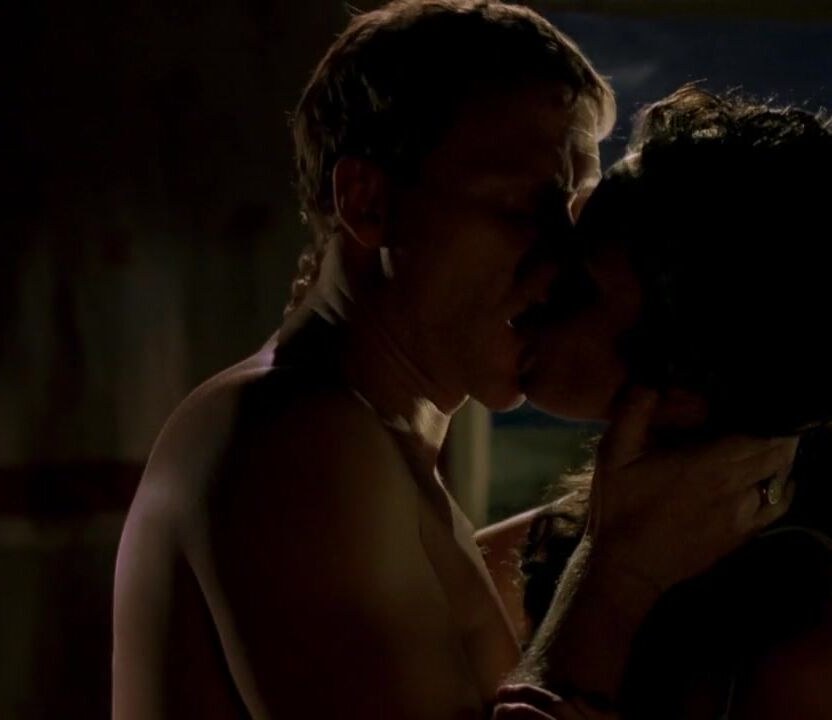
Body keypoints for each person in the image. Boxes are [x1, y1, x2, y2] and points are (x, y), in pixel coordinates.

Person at [112, 4, 796, 718]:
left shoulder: (372, 445)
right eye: (521, 209)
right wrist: (620, 576)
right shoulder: (296, 439)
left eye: (571, 216)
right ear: (369, 202)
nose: (563, 262)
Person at [480, 86, 832, 719]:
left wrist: (611, 579)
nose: (541, 277)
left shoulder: (817, 662)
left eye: (581, 283)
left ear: (682, 387)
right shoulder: (569, 540)